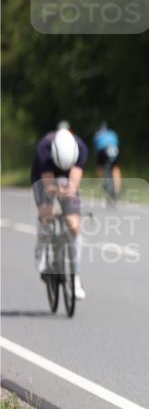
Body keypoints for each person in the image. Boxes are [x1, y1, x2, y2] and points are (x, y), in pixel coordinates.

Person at [31, 124, 88, 299]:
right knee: (47, 212)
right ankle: (40, 250)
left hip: (67, 174)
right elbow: (48, 186)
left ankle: (75, 276)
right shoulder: (43, 149)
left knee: (73, 223)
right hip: (43, 175)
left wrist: (69, 190)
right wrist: (54, 194)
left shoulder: (81, 148)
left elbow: (74, 180)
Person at [93, 121, 122, 199]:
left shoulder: (98, 134)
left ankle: (103, 182)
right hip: (114, 150)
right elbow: (117, 143)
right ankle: (117, 190)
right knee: (115, 168)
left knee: (100, 167)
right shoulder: (112, 133)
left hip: (103, 151)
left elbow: (95, 146)